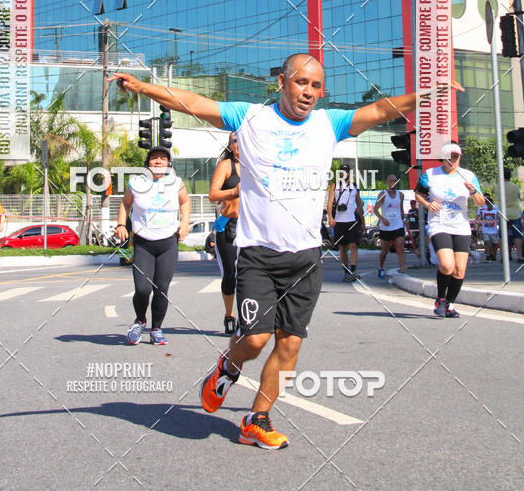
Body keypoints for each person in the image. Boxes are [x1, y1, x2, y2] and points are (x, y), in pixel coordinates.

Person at [111, 54, 455, 449]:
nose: (308, 92)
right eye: (301, 82)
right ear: (281, 82)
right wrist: (143, 87)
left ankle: (257, 419)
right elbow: (191, 102)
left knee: (290, 344)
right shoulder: (250, 117)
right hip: (259, 254)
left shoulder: (331, 123)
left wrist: (429, 94)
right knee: (255, 341)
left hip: (306, 258)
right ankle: (229, 364)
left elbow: (380, 109)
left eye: (316, 85)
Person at [115, 146, 190, 345]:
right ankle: (139, 321)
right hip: (143, 244)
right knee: (142, 289)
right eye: (154, 158)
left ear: (168, 164)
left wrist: (184, 222)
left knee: (161, 288)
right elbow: (125, 204)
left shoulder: (176, 183)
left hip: (168, 243)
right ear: (148, 163)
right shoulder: (137, 183)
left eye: (162, 159)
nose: (158, 162)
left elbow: (185, 202)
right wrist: (121, 224)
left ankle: (156, 328)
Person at [415, 141, 485, 317]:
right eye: (449, 157)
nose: (452, 160)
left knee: (459, 270)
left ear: (459, 157)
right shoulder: (431, 174)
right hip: (439, 224)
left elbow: (481, 202)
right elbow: (418, 194)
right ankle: (440, 298)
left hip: (461, 226)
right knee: (447, 266)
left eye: (456, 157)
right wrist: (428, 204)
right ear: (443, 158)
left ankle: (450, 304)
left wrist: (474, 191)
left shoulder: (468, 176)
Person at [209, 132, 241, 335]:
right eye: (235, 141)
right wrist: (233, 192)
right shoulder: (226, 166)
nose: (239, 144)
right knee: (230, 275)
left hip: (253, 227)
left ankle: (248, 316)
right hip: (228, 226)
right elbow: (213, 195)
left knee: (251, 275)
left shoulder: (257, 164)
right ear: (230, 146)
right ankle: (229, 315)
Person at [326, 165, 364, 281]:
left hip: (352, 219)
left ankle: (353, 269)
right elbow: (330, 201)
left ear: (349, 173)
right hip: (339, 220)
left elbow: (359, 203)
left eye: (346, 171)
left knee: (353, 244)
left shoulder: (354, 186)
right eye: (342, 171)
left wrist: (363, 221)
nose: (344, 173)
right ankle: (346, 270)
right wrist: (330, 217)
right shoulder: (335, 186)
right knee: (342, 246)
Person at [373, 175, 405, 278]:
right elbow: (375, 209)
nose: (393, 183)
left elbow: (401, 209)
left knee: (400, 247)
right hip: (386, 227)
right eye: (391, 181)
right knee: (385, 250)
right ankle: (381, 266)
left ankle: (402, 269)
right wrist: (382, 219)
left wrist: (403, 219)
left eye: (395, 181)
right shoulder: (383, 194)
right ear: (387, 182)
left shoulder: (400, 195)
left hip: (398, 225)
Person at [494, 167, 524, 262]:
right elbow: (519, 197)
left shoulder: (498, 186)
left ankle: (504, 256)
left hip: (503, 214)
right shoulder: (515, 186)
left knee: (503, 236)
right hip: (515, 214)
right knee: (517, 236)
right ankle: (519, 256)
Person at [478, 194, 499, 261]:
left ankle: (494, 255)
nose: (489, 205)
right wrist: (478, 227)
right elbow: (480, 219)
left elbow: (498, 218)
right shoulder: (483, 211)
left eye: (490, 204)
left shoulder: (496, 211)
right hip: (485, 230)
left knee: (494, 244)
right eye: (488, 204)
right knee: (486, 242)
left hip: (493, 230)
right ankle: (488, 255)